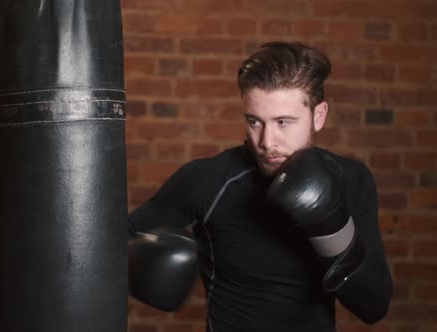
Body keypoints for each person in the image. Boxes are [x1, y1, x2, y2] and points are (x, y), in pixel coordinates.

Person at [127, 41, 392, 331]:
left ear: (318, 116)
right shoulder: (209, 180)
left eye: (283, 122)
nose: (267, 142)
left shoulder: (350, 180)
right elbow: (113, 244)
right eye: (255, 121)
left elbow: (374, 306)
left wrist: (333, 234)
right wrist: (141, 262)